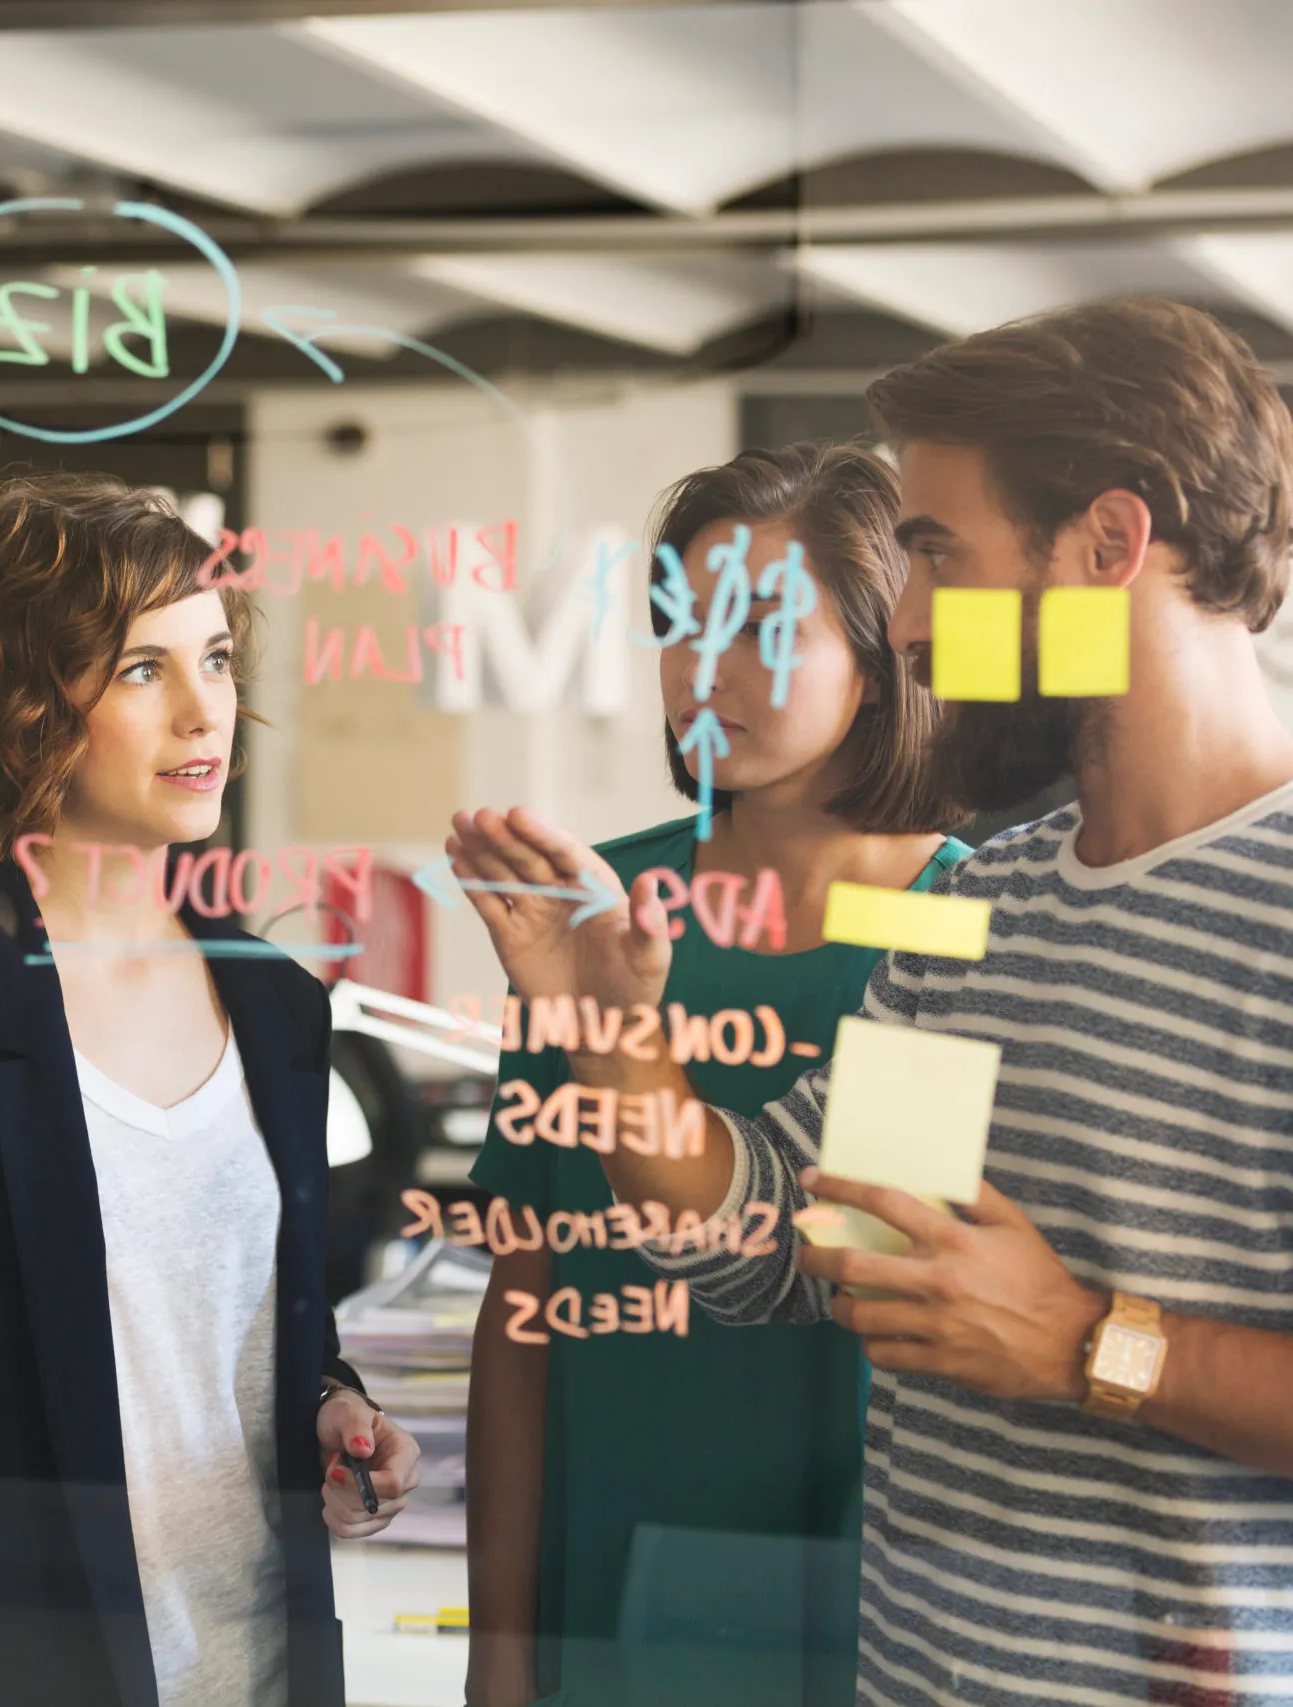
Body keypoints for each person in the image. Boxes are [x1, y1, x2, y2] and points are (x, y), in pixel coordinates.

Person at [450, 296, 1293, 1701]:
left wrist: (1095, 1341)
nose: (902, 620)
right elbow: (807, 1244)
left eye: (935, 553)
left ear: (1108, 542)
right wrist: (614, 1038)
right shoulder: (982, 916)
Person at [0, 472, 422, 1707]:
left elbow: (260, 1329)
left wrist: (334, 1408)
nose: (202, 710)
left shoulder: (274, 1001)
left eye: (213, 659)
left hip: (258, 1667)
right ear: (20, 709)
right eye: (141, 671)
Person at [463, 445, 967, 1707]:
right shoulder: (592, 909)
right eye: (682, 625)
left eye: (761, 627)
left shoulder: (965, 918)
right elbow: (522, 1314)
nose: (704, 670)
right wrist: (501, 1651)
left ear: (879, 651)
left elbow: (855, 1261)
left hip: (874, 1588)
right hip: (612, 1557)